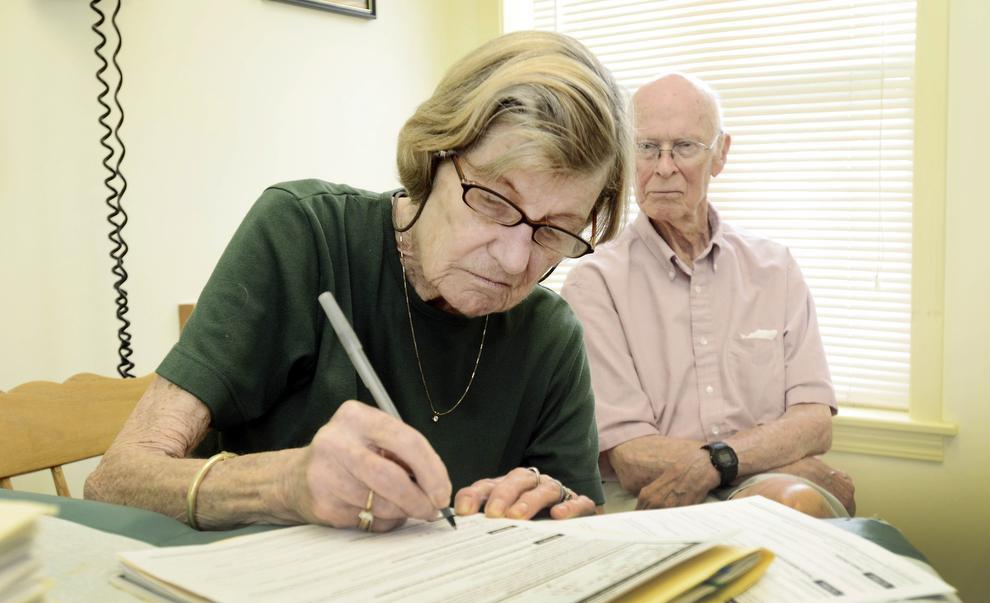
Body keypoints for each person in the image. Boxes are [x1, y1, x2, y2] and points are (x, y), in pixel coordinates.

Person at [85, 31, 632, 533]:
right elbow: (114, 482)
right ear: (432, 156)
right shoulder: (305, 235)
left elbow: (581, 527)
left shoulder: (550, 335)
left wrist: (550, 515)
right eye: (492, 201)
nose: (516, 262)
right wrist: (285, 483)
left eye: (556, 231)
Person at [562, 73, 855, 518]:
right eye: (645, 148)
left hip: (766, 485)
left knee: (792, 504)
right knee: (799, 499)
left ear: (720, 154)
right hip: (655, 500)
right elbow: (632, 455)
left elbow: (814, 423)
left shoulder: (775, 268)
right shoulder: (594, 282)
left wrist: (718, 464)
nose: (663, 168)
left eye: (684, 147)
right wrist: (779, 461)